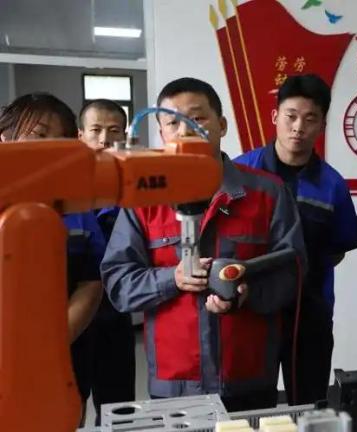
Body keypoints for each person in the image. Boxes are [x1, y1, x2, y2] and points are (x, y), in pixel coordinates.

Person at [100, 77, 306, 411]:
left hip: (248, 376)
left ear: (221, 125)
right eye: (172, 123)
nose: (185, 131)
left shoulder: (267, 193)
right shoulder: (143, 200)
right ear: (161, 133)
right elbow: (118, 281)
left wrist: (247, 294)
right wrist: (172, 279)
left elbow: (293, 271)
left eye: (197, 118)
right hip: (175, 382)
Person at [235, 74, 357, 405]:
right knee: (247, 404)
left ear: (322, 125)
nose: (298, 128)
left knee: (309, 404)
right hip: (249, 308)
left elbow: (338, 249)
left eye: (310, 119)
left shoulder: (332, 185)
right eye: (290, 116)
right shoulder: (240, 173)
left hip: (310, 311)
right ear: (275, 116)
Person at [0, 93, 105, 424]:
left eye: (59, 141)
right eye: (38, 135)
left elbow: (91, 282)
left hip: (64, 357)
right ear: (5, 138)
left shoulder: (76, 208)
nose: (48, 148)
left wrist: (52, 342)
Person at [78, 99, 135, 424]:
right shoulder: (63, 190)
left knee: (118, 411)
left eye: (113, 131)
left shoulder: (134, 189)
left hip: (115, 318)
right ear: (80, 135)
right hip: (70, 319)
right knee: (68, 406)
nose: (104, 139)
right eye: (96, 130)